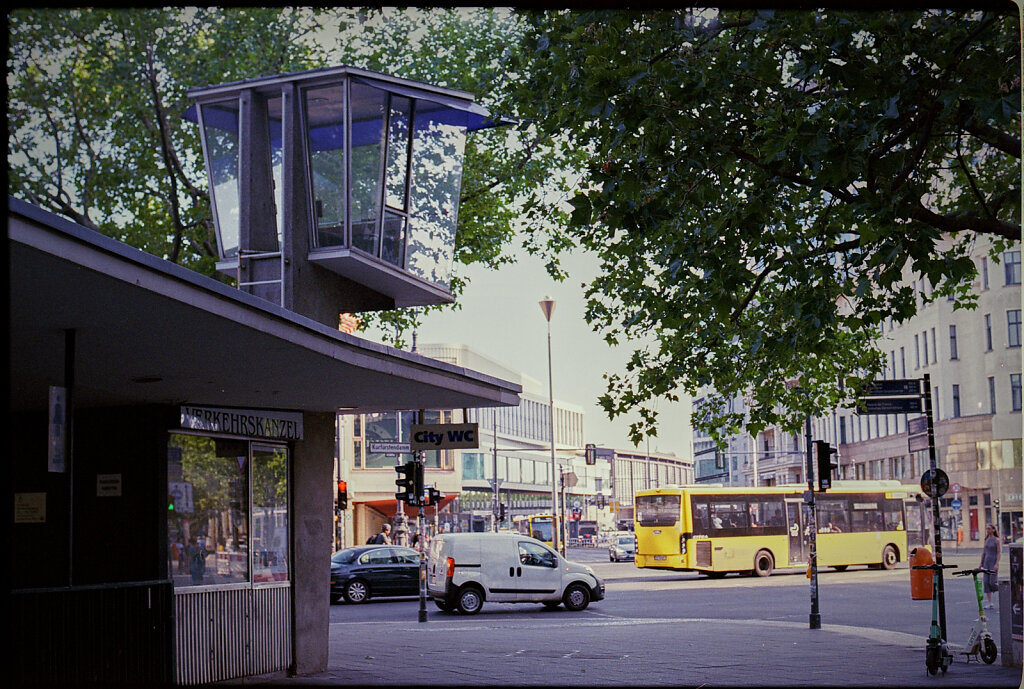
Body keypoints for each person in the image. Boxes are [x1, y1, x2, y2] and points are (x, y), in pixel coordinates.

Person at [980, 523, 1001, 608]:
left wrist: (997, 563)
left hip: (993, 562)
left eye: (989, 529)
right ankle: (990, 602)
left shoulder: (997, 540)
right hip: (986, 562)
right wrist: (980, 563)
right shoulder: (986, 539)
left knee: (992, 582)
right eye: (987, 529)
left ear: (993, 530)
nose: (987, 530)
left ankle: (1002, 591)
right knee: (986, 582)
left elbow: (999, 552)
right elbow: (984, 552)